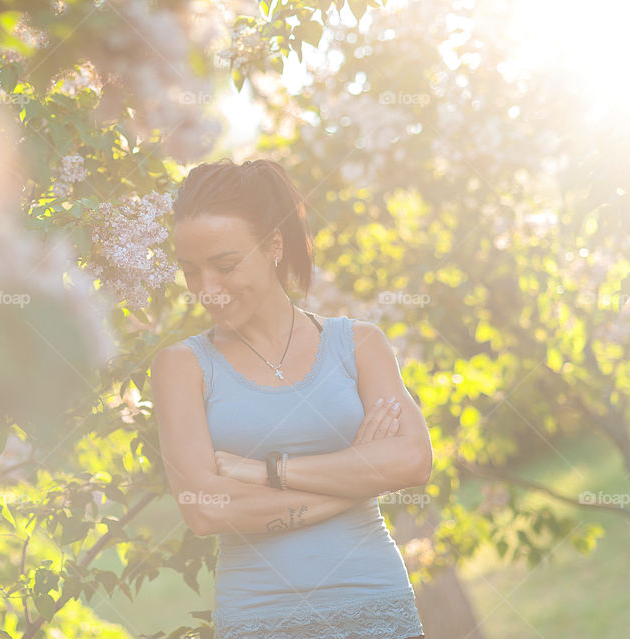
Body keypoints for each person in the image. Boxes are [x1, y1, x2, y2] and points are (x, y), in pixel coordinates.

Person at [150, 158, 432, 639]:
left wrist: (267, 473)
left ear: (274, 246)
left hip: (376, 605)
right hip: (260, 619)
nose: (207, 290)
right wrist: (361, 476)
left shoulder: (359, 344)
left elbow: (412, 460)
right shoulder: (181, 366)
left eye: (225, 266)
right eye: (191, 272)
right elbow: (205, 509)